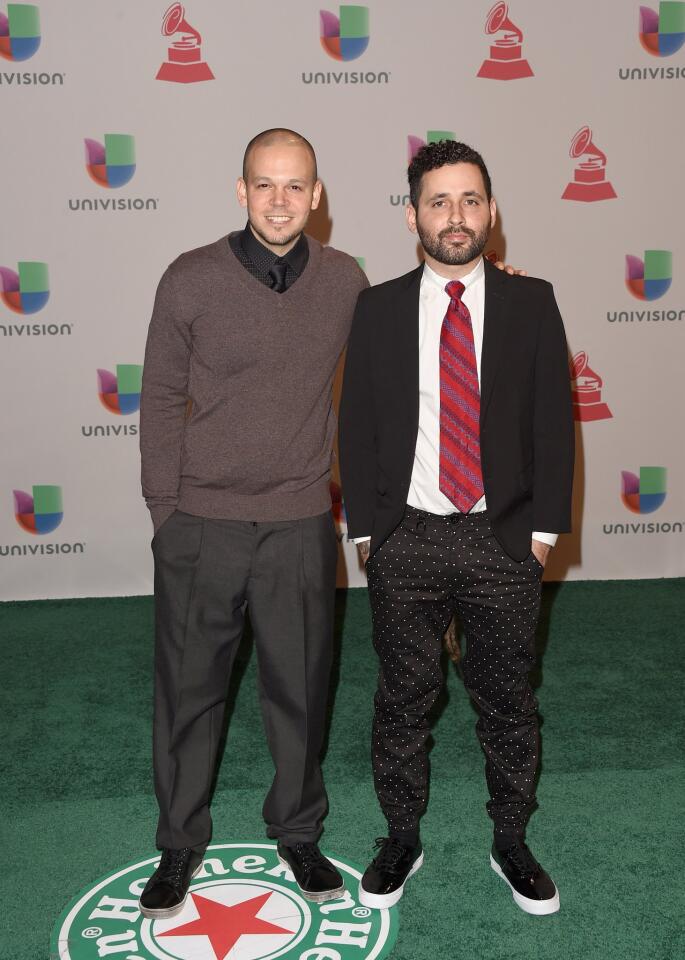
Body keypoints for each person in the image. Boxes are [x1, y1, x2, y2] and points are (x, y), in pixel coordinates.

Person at [339, 140, 574, 916]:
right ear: (411, 215)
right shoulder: (375, 308)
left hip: (500, 539)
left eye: (470, 200)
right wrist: (367, 534)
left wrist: (541, 535)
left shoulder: (530, 301)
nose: (455, 216)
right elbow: (360, 423)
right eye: (437, 201)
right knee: (402, 699)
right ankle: (399, 836)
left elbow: (552, 423)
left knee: (507, 700)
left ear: (492, 211)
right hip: (406, 536)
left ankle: (510, 839)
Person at [137, 128, 368, 918]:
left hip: (301, 522)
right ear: (240, 192)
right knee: (188, 693)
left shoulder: (345, 281)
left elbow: (394, 354)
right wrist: (166, 514)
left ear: (317, 194)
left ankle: (297, 831)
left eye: (295, 185)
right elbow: (161, 398)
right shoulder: (190, 278)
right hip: (201, 522)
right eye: (264, 185)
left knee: (300, 691)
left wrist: (489, 281)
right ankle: (177, 842)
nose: (279, 200)